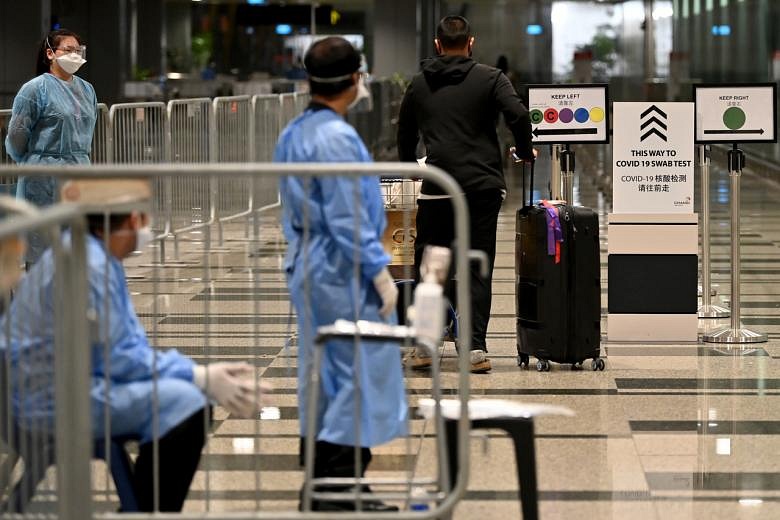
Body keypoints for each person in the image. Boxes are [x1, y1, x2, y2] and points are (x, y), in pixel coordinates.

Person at [0, 179, 269, 512]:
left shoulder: (88, 254)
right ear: (130, 221)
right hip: (51, 400)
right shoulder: (89, 267)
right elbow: (119, 359)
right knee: (187, 406)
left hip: (57, 385)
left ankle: (140, 509)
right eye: (143, 218)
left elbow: (122, 348)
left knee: (186, 396)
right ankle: (146, 513)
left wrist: (193, 373)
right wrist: (199, 377)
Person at [274, 36, 406, 512]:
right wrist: (378, 272)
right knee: (354, 375)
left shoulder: (296, 131)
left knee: (326, 373)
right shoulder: (336, 137)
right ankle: (339, 486)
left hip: (312, 265)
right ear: (355, 79)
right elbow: (348, 216)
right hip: (340, 270)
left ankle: (325, 482)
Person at [397, 15, 535, 373]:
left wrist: (413, 166)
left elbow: (405, 134)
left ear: (438, 45)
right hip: (481, 187)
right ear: (470, 43)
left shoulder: (419, 84)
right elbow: (518, 114)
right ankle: (474, 349)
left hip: (438, 187)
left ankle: (425, 346)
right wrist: (522, 149)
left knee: (433, 268)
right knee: (476, 265)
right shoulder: (491, 78)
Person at [4, 29, 97, 266]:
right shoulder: (35, 89)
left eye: (78, 51)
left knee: (76, 246)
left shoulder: (87, 90)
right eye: (68, 50)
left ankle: (70, 302)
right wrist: (34, 161)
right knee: (42, 248)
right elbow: (16, 136)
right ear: (50, 53)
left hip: (78, 171)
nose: (74, 55)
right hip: (43, 176)